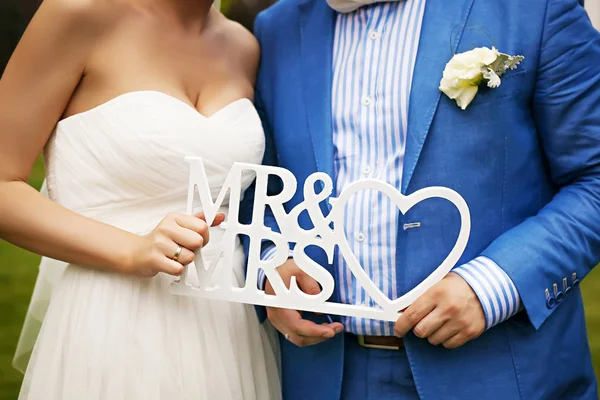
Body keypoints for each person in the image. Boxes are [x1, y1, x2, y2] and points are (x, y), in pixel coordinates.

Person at [251, 0, 600, 398]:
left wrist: (491, 285)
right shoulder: (276, 28)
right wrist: (271, 262)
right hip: (323, 374)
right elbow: (259, 187)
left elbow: (593, 178)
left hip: (497, 371)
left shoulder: (533, 9)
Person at [0, 0, 280, 398]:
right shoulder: (78, 13)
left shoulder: (243, 46)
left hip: (231, 323)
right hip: (117, 317)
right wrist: (131, 249)